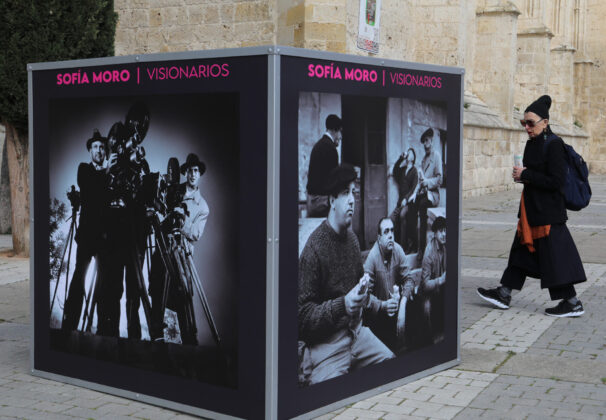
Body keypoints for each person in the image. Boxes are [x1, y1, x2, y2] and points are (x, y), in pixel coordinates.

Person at [477, 95, 586, 317]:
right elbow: (536, 175)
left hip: (547, 215)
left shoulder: (554, 145)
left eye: (530, 123)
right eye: (523, 123)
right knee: (521, 253)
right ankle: (504, 293)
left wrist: (527, 175)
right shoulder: (533, 143)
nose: (526, 127)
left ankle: (572, 303)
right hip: (531, 211)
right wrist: (523, 176)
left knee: (555, 260)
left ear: (545, 122)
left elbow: (556, 181)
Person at [298, 164, 394, 385]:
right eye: (345, 193)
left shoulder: (352, 240)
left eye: (354, 193)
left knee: (391, 368)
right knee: (327, 398)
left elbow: (361, 296)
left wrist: (379, 303)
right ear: (332, 200)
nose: (352, 200)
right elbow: (302, 317)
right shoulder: (314, 249)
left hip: (357, 334)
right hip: (327, 346)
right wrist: (342, 305)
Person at [149, 153, 210, 344]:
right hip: (163, 246)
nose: (192, 174)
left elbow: (196, 234)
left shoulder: (203, 206)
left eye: (196, 171)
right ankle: (157, 335)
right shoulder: (174, 189)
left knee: (182, 295)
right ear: (185, 173)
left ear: (199, 174)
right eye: (190, 171)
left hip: (181, 253)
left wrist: (182, 221)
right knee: (156, 287)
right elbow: (162, 208)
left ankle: (189, 340)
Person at [62, 129, 108, 332]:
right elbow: (90, 189)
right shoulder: (84, 169)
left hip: (105, 236)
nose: (98, 150)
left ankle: (102, 329)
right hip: (88, 234)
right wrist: (106, 173)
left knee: (104, 282)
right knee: (79, 275)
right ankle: (70, 324)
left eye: (102, 147)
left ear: (105, 151)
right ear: (90, 151)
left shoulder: (110, 173)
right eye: (95, 147)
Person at [363, 217, 414, 351]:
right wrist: (382, 305)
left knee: (416, 313)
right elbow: (364, 296)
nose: (390, 235)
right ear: (379, 238)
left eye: (392, 230)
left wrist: (403, 303)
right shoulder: (372, 258)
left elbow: (409, 279)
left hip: (398, 308)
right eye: (386, 232)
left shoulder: (398, 250)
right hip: (380, 315)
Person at [411, 128, 443, 260]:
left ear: (432, 141)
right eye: (423, 142)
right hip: (424, 193)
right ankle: (414, 244)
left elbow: (439, 179)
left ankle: (422, 249)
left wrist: (427, 182)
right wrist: (415, 193)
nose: (425, 144)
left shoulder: (436, 156)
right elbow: (421, 181)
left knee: (422, 206)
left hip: (433, 195)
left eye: (427, 141)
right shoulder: (424, 159)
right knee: (412, 206)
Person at [306, 114, 343, 217]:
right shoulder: (331, 149)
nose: (341, 137)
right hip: (321, 202)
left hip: (312, 200)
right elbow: (334, 181)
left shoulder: (318, 145)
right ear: (335, 130)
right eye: (340, 132)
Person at [418, 216, 446, 345]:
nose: (444, 234)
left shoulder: (446, 246)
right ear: (434, 233)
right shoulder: (429, 252)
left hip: (441, 289)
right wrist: (441, 280)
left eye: (445, 230)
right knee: (426, 307)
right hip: (428, 293)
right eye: (440, 231)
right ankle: (429, 341)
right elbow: (425, 285)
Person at [390, 148, 419, 252]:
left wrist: (406, 199)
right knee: (392, 219)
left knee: (402, 215)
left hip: (409, 203)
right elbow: (394, 171)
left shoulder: (414, 171)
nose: (408, 154)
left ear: (413, 158)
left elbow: (414, 188)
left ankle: (403, 247)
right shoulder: (403, 169)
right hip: (400, 202)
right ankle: (395, 245)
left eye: (410, 153)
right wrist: (400, 158)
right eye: (408, 153)